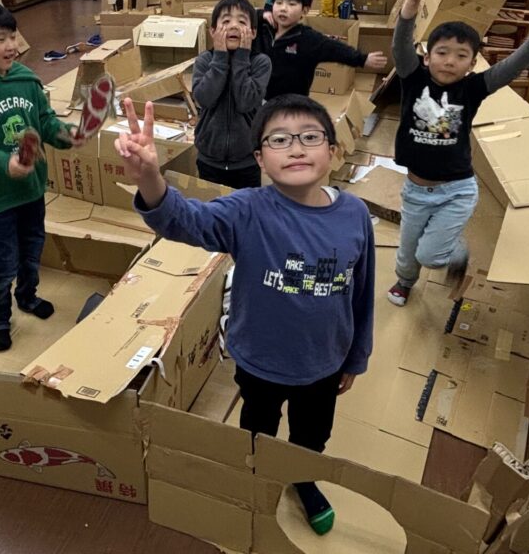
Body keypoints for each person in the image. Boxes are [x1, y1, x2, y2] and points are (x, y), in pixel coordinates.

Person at [115, 94, 375, 537]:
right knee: (257, 426)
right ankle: (255, 472)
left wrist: (356, 356)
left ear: (333, 151)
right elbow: (184, 220)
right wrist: (151, 178)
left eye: (310, 137)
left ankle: (303, 478)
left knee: (312, 436)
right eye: (280, 140)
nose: (296, 148)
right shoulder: (248, 210)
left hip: (324, 361)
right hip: (259, 359)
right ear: (259, 158)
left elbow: (362, 289)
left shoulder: (354, 214)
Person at [388, 0, 529, 307]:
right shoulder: (413, 77)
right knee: (407, 251)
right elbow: (400, 45)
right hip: (415, 191)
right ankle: (405, 282)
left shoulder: (473, 88)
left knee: (429, 255)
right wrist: (411, 4)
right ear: (427, 57)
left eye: (461, 55)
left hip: (456, 191)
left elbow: (514, 64)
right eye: (442, 53)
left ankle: (454, 251)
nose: (450, 61)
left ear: (473, 63)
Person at [0, 0, 83, 351]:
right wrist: (5, 163)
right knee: (3, 262)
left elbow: (45, 122)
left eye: (13, 36)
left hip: (32, 190)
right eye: (0, 39)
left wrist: (67, 135)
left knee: (32, 251)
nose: (11, 45)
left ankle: (27, 296)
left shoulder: (26, 79)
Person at [257, 0, 387, 100]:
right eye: (279, 2)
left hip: (291, 105)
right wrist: (260, 14)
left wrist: (362, 59)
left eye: (291, 4)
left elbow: (335, 49)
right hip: (259, 101)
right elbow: (245, 11)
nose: (283, 8)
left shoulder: (307, 39)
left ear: (305, 10)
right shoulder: (263, 29)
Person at [192, 0, 272, 189]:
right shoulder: (204, 61)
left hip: (247, 161)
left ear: (253, 32)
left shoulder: (260, 63)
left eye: (242, 22)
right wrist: (220, 58)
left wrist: (242, 57)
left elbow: (245, 102)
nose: (234, 26)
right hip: (209, 159)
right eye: (226, 21)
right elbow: (204, 99)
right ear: (213, 31)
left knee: (246, 206)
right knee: (211, 206)